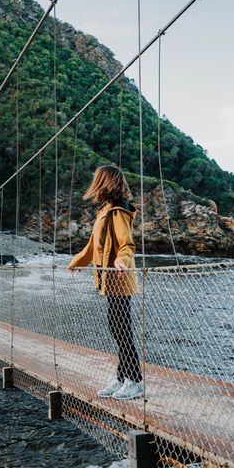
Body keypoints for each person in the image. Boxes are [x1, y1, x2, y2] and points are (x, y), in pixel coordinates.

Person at [68, 165, 143, 400]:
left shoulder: (118, 211)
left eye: (96, 179)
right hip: (108, 279)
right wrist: (76, 263)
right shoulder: (104, 210)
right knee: (117, 328)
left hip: (119, 278)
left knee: (121, 330)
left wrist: (121, 262)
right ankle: (122, 378)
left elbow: (127, 244)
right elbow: (93, 247)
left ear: (103, 182)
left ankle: (135, 380)